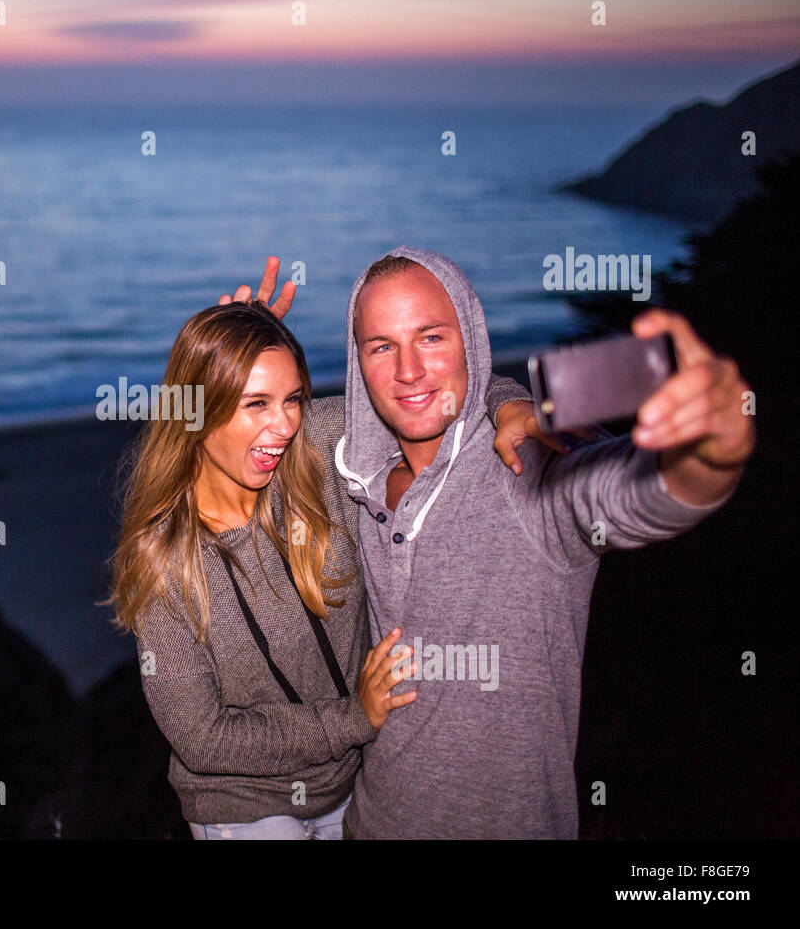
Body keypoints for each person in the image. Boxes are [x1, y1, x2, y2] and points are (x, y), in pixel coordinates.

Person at [305, 245, 752, 839]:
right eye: (381, 347)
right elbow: (256, 420)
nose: (407, 370)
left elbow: (633, 495)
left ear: (471, 337)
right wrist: (242, 337)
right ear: (359, 362)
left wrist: (713, 453)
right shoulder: (354, 473)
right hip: (372, 822)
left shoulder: (524, 470)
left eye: (432, 338)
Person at [106, 298, 541, 838]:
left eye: (292, 399)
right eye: (255, 403)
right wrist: (354, 718)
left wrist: (510, 404)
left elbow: (427, 398)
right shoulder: (166, 558)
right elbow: (204, 738)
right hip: (244, 803)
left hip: (356, 777)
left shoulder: (315, 443)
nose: (283, 424)